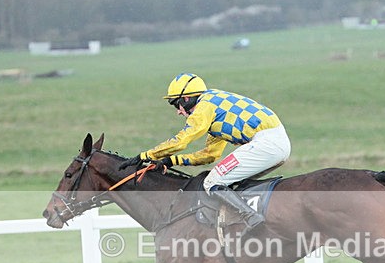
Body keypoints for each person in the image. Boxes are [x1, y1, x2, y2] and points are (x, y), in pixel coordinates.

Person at [123, 73, 291, 230]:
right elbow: (210, 155)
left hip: (266, 143)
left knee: (212, 182)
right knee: (230, 181)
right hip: (276, 142)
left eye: (176, 104)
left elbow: (181, 141)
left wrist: (145, 156)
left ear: (186, 99)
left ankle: (251, 218)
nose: (178, 111)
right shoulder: (215, 106)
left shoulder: (203, 108)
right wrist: (172, 161)